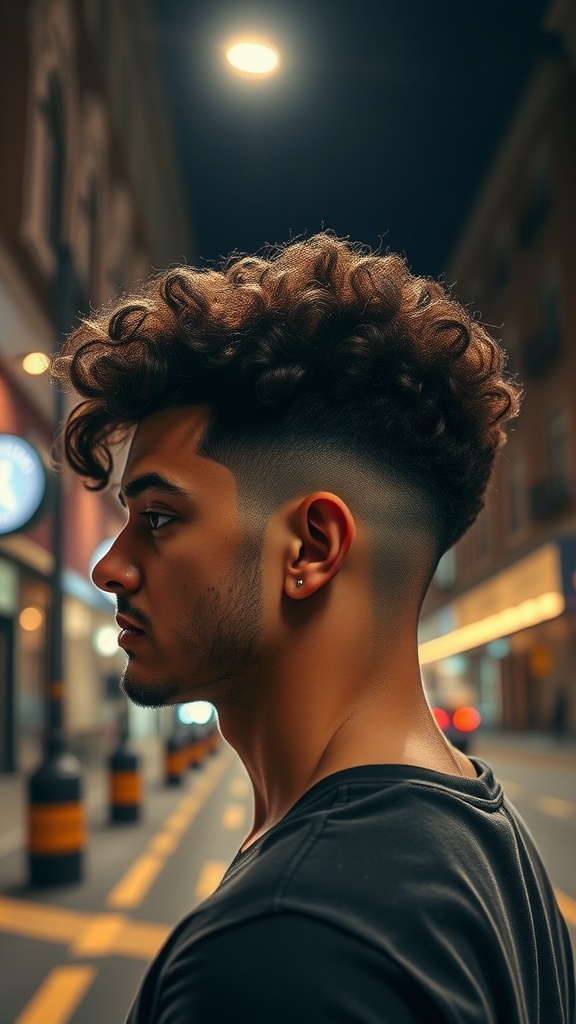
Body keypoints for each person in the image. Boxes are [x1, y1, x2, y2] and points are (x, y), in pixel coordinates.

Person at [53, 234, 575, 1023]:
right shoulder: (487, 836)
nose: (109, 568)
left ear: (312, 548)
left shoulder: (277, 952)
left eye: (157, 517)